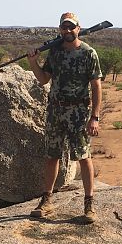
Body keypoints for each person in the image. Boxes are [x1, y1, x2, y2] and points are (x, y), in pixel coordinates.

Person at [27, 12, 102, 223]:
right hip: (55, 111)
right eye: (64, 27)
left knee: (83, 157)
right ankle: (47, 201)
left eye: (71, 27)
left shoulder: (88, 53)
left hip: (78, 113)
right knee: (52, 156)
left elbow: (96, 86)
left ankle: (89, 204)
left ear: (78, 28)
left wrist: (94, 117)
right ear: (60, 29)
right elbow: (43, 79)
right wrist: (33, 62)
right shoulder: (55, 53)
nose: (67, 31)